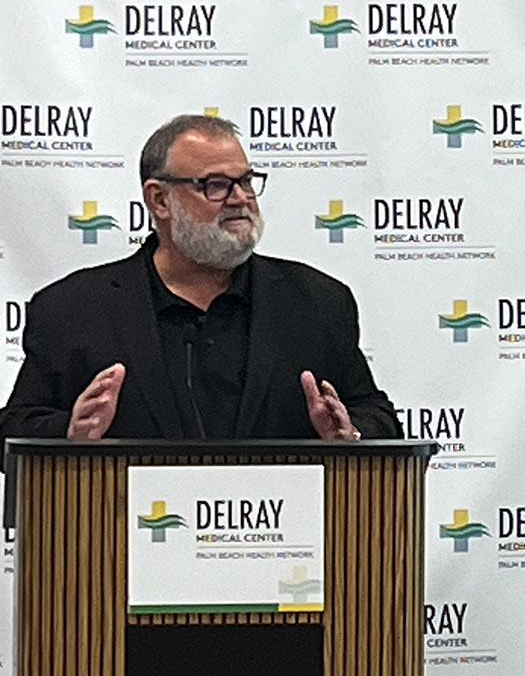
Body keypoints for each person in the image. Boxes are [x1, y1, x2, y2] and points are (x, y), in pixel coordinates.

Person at [0, 114, 398, 442]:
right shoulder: (71, 309)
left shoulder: (318, 303)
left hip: (278, 531)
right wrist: (68, 431)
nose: (241, 198)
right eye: (216, 185)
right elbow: (14, 430)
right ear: (159, 199)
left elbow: (378, 416)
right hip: (122, 528)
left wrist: (352, 432)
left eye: (246, 181)